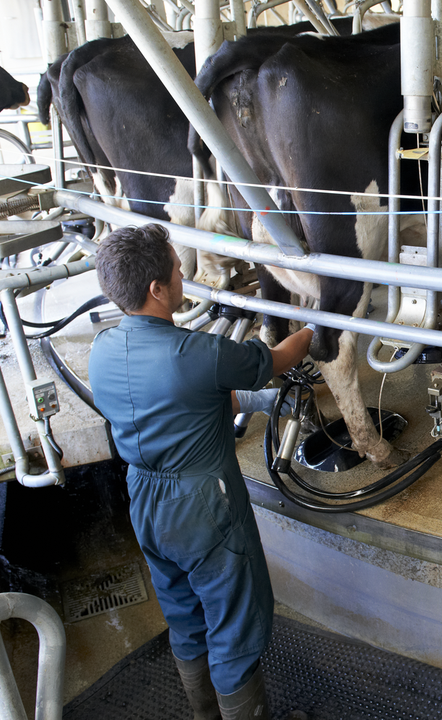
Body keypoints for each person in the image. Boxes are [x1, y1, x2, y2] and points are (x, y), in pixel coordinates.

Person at [88, 224, 316, 720]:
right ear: (156, 289)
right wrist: (319, 322)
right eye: (177, 268)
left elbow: (180, 403)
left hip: (144, 499)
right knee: (234, 623)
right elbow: (277, 358)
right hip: (202, 505)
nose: (182, 275)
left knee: (184, 617)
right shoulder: (196, 353)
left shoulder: (102, 349)